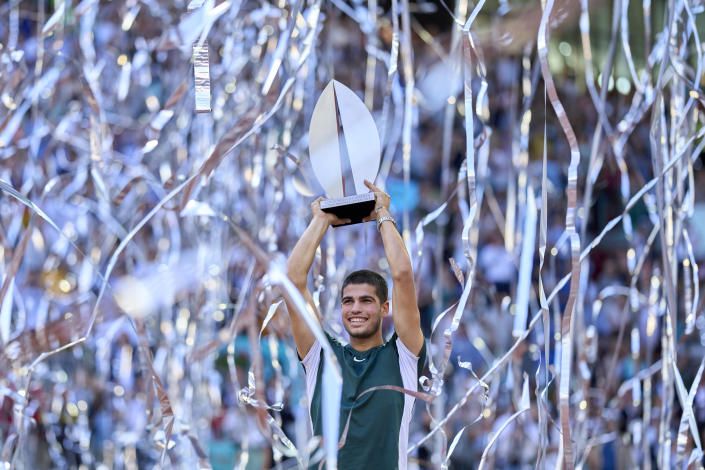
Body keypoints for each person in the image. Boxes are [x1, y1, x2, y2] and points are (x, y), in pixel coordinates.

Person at [285, 180, 426, 470]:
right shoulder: (321, 356)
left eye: (366, 300)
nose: (356, 308)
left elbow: (401, 275)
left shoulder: (403, 357)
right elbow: (293, 281)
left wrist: (382, 214)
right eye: (348, 301)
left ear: (386, 308)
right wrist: (320, 220)